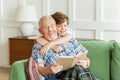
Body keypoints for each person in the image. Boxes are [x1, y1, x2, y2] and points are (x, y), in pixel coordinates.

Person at [31, 15, 94, 80]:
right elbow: (39, 68)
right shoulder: (38, 47)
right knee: (78, 69)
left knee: (78, 69)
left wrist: (86, 62)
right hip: (59, 76)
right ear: (40, 31)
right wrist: (50, 70)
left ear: (56, 26)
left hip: (80, 73)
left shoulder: (69, 39)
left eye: (52, 26)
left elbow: (86, 58)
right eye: (46, 27)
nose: (50, 29)